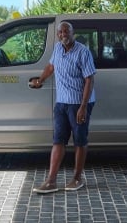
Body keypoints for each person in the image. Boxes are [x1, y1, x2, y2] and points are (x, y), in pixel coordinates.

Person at [32, 21, 96, 194]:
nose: (63, 34)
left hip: (79, 103)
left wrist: (83, 107)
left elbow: (90, 80)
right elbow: (51, 66)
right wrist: (41, 80)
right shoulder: (58, 48)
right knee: (58, 140)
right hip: (61, 103)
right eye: (60, 32)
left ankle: (77, 178)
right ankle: (51, 181)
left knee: (79, 141)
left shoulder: (83, 51)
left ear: (72, 33)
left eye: (66, 31)